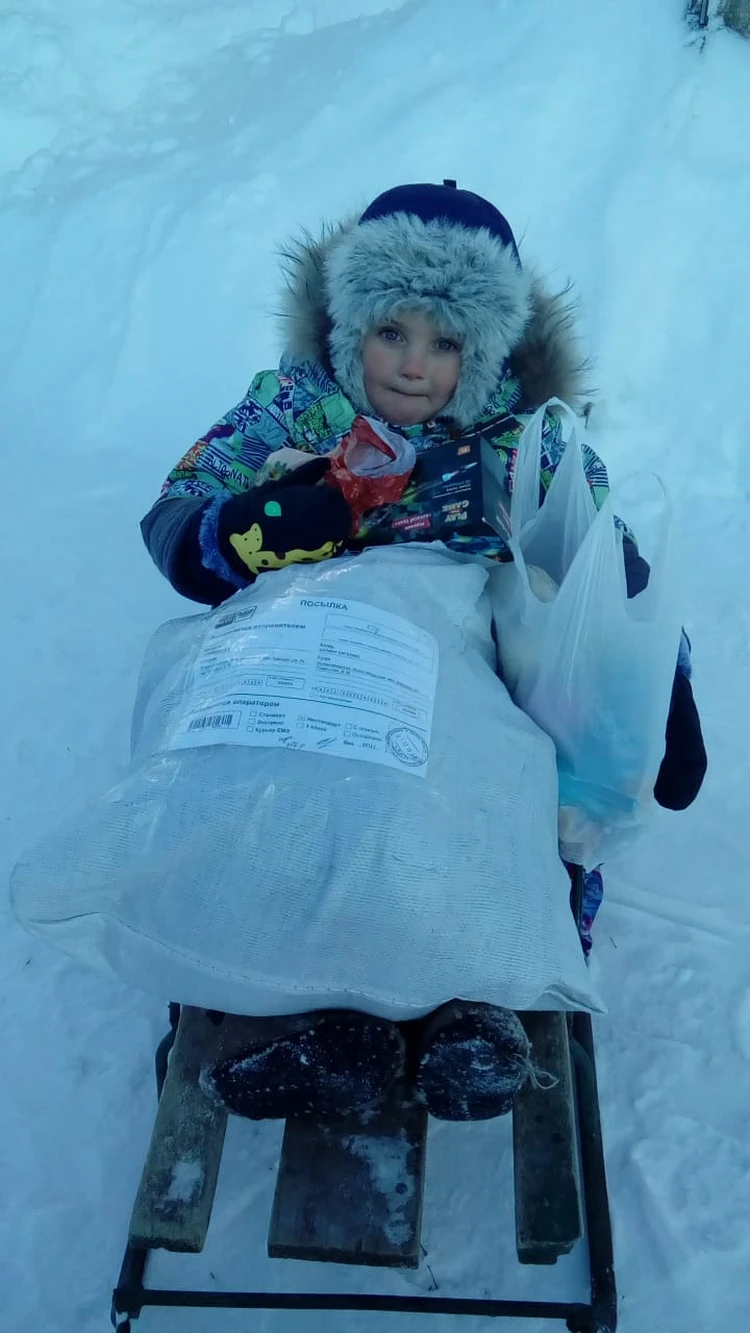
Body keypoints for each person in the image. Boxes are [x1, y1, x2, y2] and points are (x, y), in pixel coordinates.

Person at [141, 182, 707, 1121]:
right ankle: (295, 1013)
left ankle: (471, 1012)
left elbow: (615, 567)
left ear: (483, 354)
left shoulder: (524, 445)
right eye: (391, 332)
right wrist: (250, 528)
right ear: (347, 325)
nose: (413, 367)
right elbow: (173, 518)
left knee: (474, 790)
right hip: (303, 653)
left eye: (446, 344)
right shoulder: (294, 410)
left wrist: (665, 686)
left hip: (451, 670)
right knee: (281, 788)